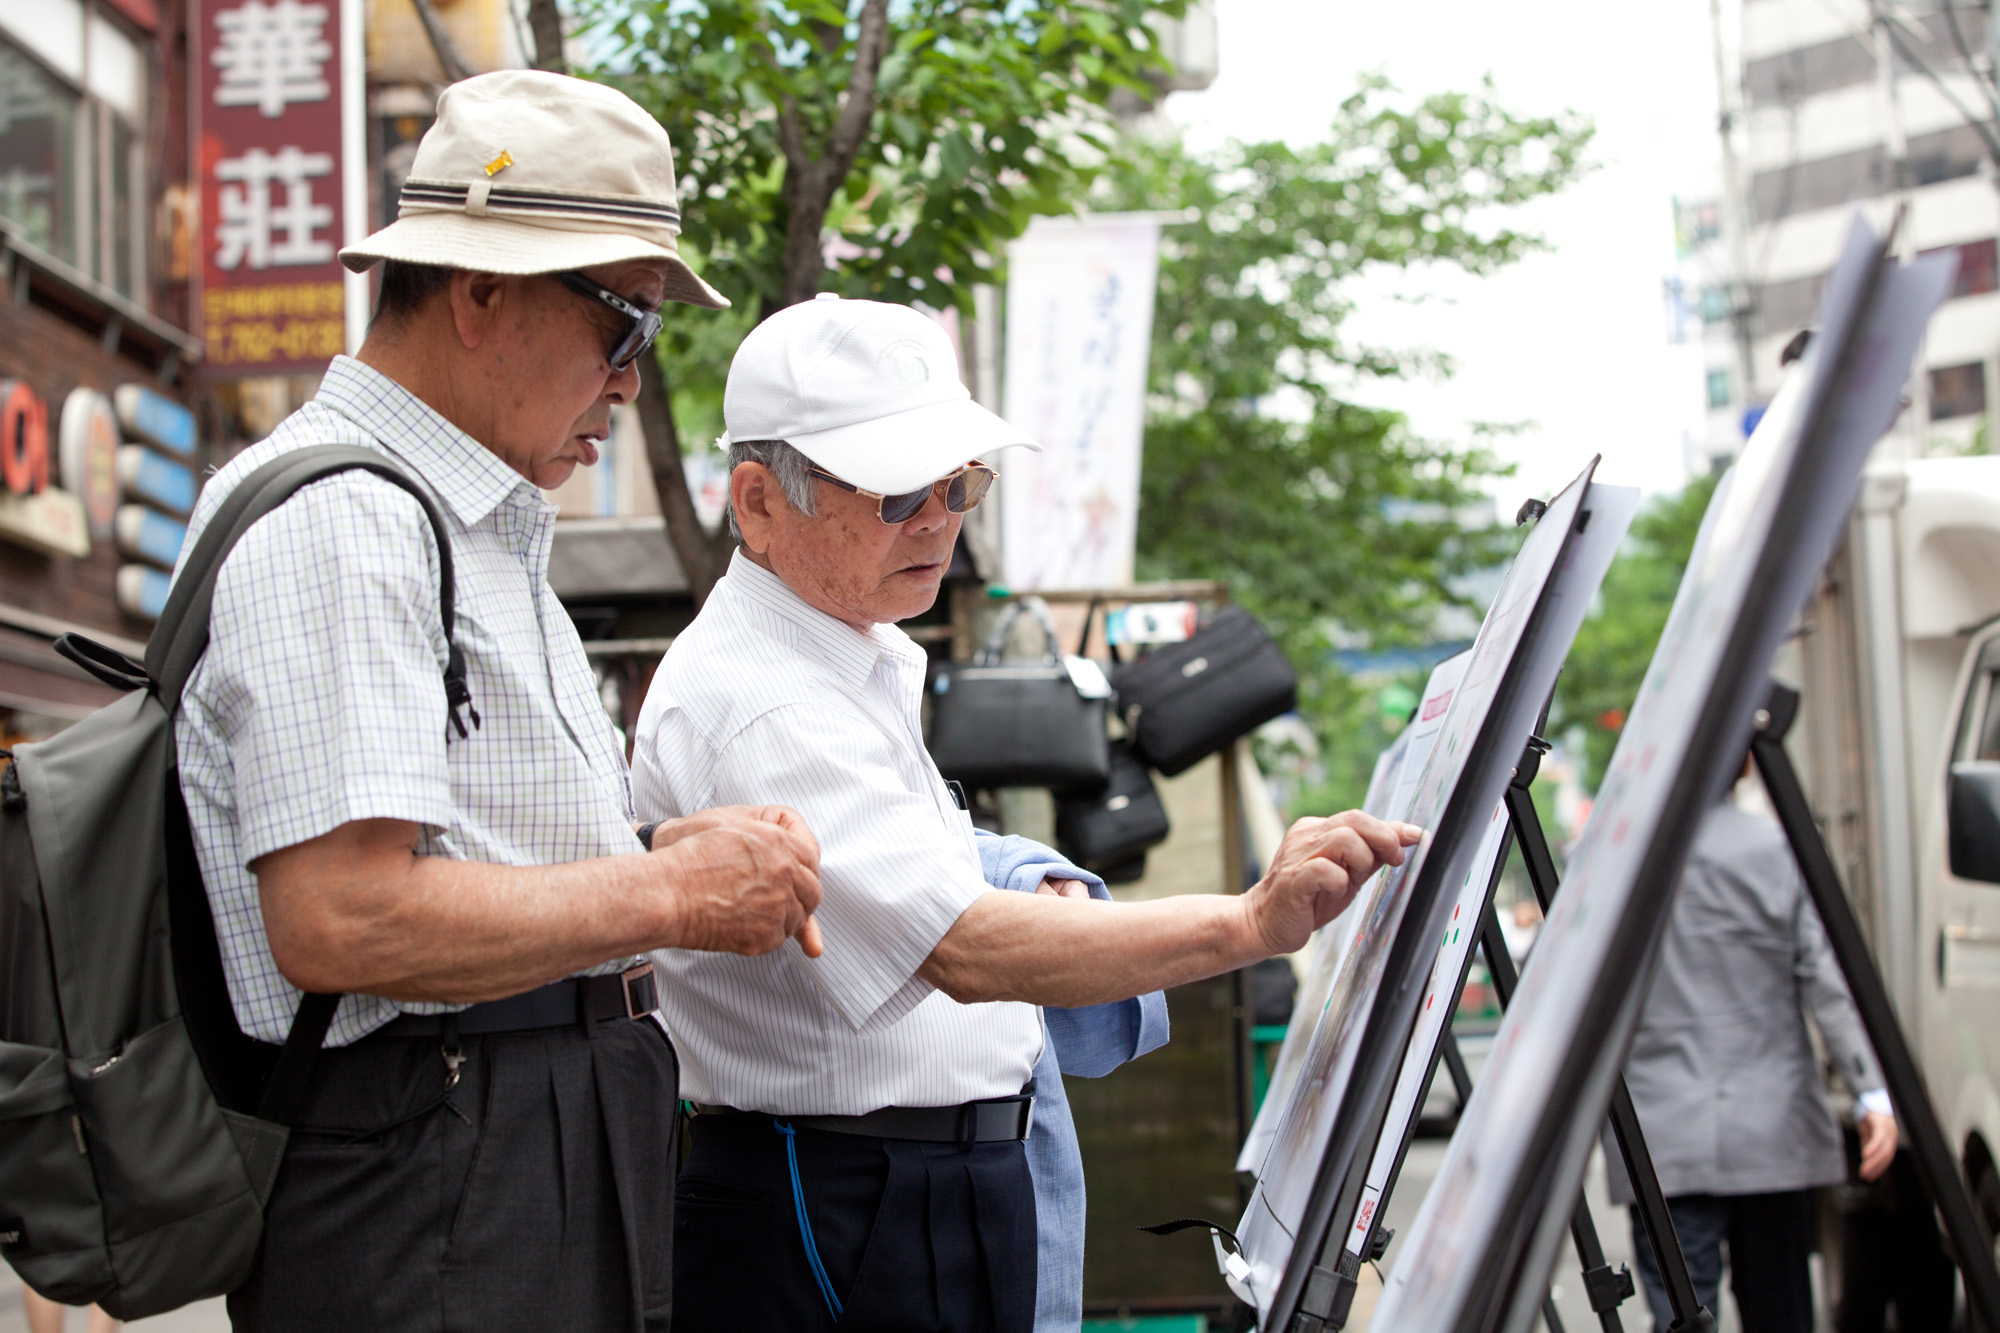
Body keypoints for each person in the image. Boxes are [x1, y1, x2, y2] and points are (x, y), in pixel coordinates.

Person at [631, 295, 1421, 1333]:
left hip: (898, 1181)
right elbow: (961, 944)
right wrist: (1246, 922)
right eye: (898, 490)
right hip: (842, 1190)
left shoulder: (844, 651)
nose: (938, 518)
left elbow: (927, 882)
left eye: (960, 482)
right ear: (759, 501)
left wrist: (1013, 869)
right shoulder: (765, 699)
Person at [173, 71, 822, 1332]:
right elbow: (343, 914)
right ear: (480, 293)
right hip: (440, 1158)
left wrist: (646, 855)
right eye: (624, 327)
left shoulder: (450, 515)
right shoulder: (349, 519)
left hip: (492, 1137)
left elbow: (448, 854)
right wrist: (670, 893)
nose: (628, 382)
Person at [1616, 763, 1896, 1333]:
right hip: (1773, 1125)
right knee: (1781, 1309)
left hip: (1660, 1136)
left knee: (1679, 1315)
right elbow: (1824, 980)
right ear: (1745, 764)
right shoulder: (1780, 847)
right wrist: (1869, 1091)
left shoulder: (1616, 854)